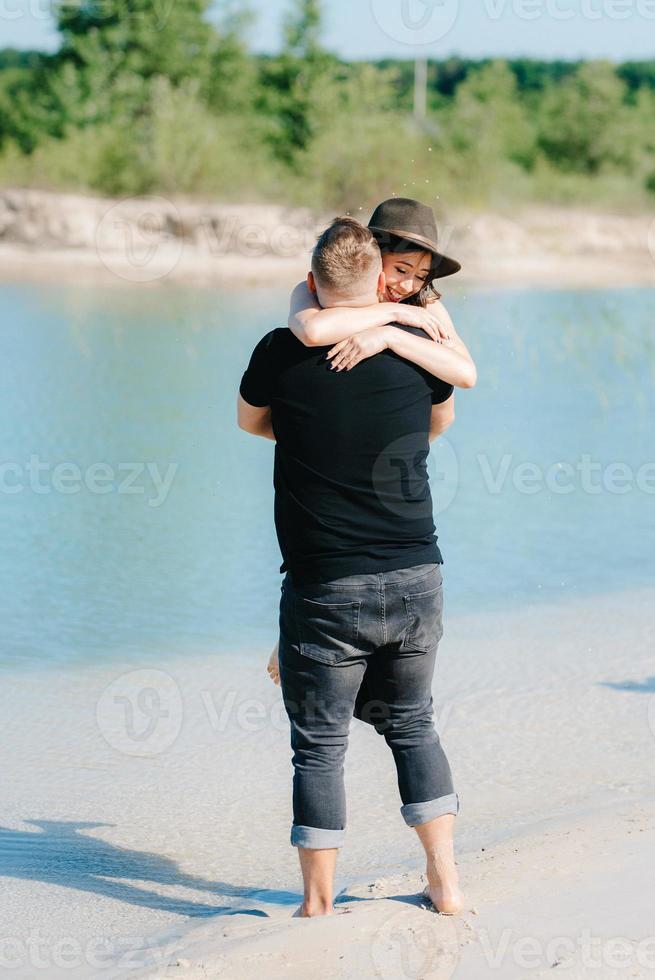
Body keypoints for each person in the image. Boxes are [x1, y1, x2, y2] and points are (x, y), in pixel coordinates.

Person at [237, 210, 476, 918]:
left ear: (315, 280)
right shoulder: (416, 350)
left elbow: (251, 422)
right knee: (411, 724)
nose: (409, 284)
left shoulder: (281, 349)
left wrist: (308, 420)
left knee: (319, 745)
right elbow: (441, 421)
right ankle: (445, 882)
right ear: (378, 275)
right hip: (416, 577)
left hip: (323, 588)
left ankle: (317, 905)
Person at [267, 197, 474, 685]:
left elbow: (465, 372)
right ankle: (294, 632)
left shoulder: (425, 305)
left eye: (421, 274)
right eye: (401, 268)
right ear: (371, 253)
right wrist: (384, 319)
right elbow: (313, 329)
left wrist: (393, 339)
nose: (409, 284)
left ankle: (305, 635)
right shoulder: (314, 291)